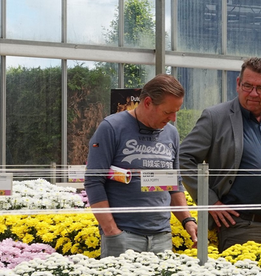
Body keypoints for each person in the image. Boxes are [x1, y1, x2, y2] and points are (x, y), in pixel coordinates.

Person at [179, 57, 261, 253]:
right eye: (248, 86)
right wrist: (210, 202)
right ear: (238, 84)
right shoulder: (216, 117)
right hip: (240, 227)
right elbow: (184, 158)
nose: (253, 93)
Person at [85, 74, 198, 258]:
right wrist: (111, 231)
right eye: (168, 112)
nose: (173, 118)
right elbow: (94, 181)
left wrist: (187, 220)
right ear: (147, 103)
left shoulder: (171, 134)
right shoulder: (112, 128)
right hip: (123, 236)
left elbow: (174, 184)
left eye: (176, 111)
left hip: (162, 237)